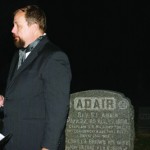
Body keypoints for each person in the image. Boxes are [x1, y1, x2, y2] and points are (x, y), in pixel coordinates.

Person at [0, 5, 72, 150]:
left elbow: (57, 111)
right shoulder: (18, 55)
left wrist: (48, 147)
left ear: (34, 27)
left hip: (35, 143)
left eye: (17, 26)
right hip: (12, 141)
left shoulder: (54, 57)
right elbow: (29, 98)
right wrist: (4, 102)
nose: (12, 30)